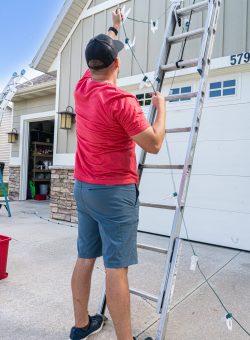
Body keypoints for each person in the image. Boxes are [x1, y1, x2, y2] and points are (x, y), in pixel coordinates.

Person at [70, 8, 166, 340]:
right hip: (113, 193)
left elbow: (102, 51)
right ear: (117, 65)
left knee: (85, 256)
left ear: (91, 66)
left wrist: (113, 28)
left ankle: (81, 326)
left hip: (83, 188)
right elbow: (153, 144)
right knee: (116, 268)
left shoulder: (82, 87)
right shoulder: (121, 102)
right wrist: (161, 109)